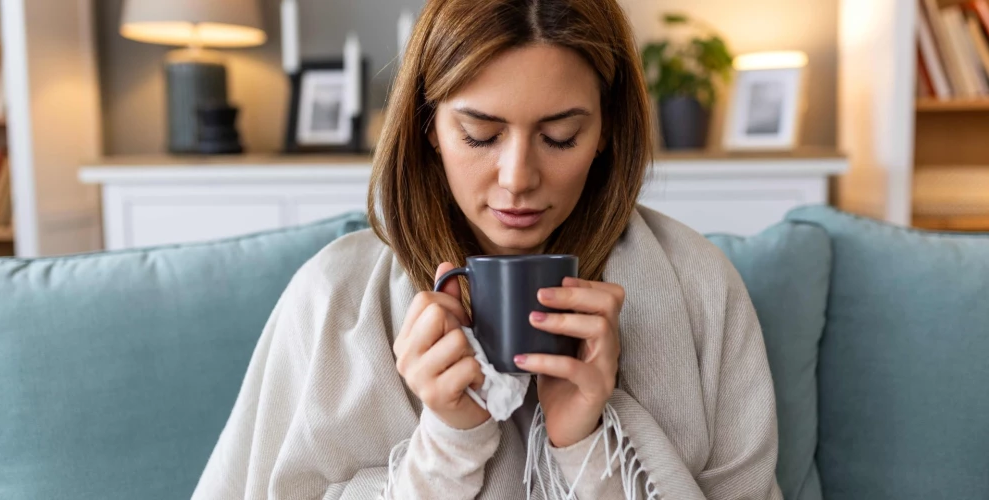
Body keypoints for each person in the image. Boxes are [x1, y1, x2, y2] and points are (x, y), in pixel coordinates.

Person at [192, 0, 783, 498]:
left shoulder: (700, 287)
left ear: (606, 131)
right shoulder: (334, 298)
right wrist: (448, 443)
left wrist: (588, 442)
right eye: (480, 134)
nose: (517, 178)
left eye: (561, 137)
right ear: (428, 126)